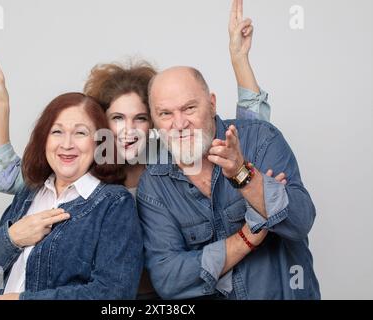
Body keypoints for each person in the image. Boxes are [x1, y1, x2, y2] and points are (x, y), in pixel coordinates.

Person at [0, 0, 279, 299]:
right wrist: (0, 107)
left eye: (140, 118)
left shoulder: (170, 158)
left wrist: (240, 61)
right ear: (101, 124)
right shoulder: (84, 168)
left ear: (154, 122)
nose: (129, 130)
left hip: (177, 293)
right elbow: (7, 178)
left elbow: (244, 137)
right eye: (118, 118)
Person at [136, 2, 320, 299]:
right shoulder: (154, 185)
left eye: (189, 108)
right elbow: (169, 279)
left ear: (212, 103)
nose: (179, 123)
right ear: (155, 121)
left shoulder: (260, 139)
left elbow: (299, 222)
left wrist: (243, 175)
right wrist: (247, 237)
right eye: (165, 114)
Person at [0, 92, 143, 300]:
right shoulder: (30, 192)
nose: (67, 144)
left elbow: (114, 294)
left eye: (80, 133)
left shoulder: (114, 203)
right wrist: (13, 238)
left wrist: (21, 300)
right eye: (57, 132)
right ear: (44, 140)